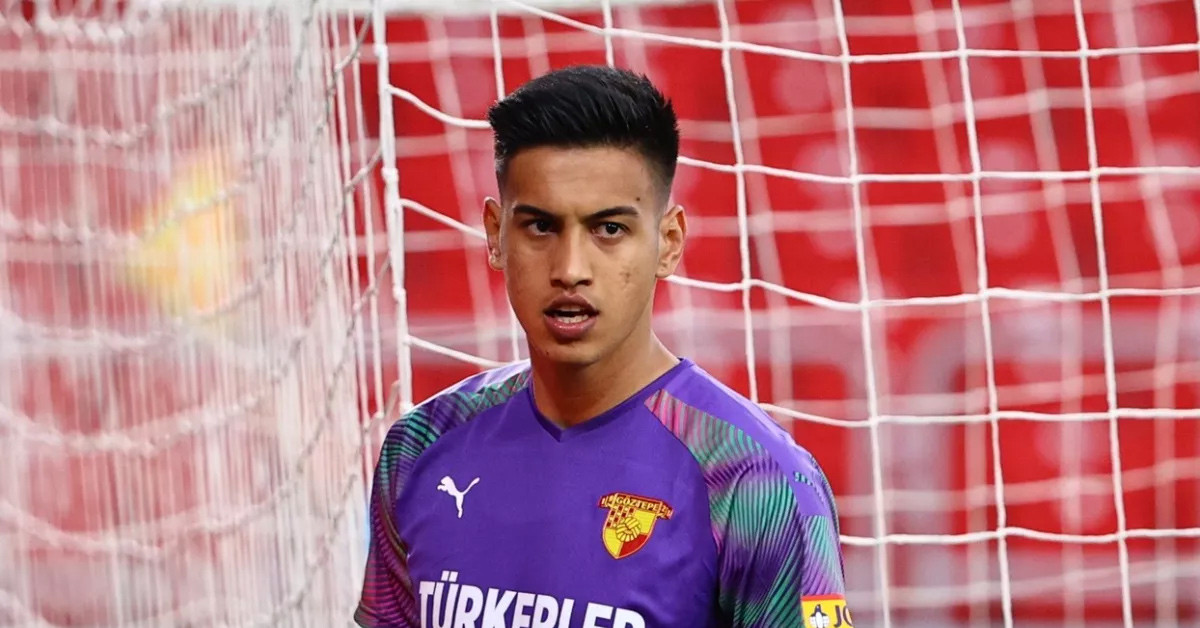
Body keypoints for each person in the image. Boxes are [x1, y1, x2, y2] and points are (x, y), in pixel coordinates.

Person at [355, 65, 851, 628]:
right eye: (540, 227)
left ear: (668, 243)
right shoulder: (420, 448)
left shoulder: (756, 480)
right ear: (495, 235)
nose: (570, 269)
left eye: (609, 229)